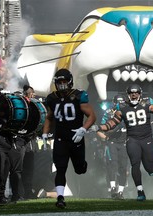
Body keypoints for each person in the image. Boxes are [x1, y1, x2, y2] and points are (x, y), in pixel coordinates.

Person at [90, 84, 153, 201]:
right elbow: (112, 123)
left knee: (150, 167)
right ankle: (140, 191)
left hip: (146, 139)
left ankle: (149, 170)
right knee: (135, 164)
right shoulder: (122, 107)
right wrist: (99, 127)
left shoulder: (147, 104)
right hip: (132, 139)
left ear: (140, 94)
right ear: (128, 95)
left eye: (136, 93)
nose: (133, 95)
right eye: (131, 93)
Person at [42, 68, 96, 208]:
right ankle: (60, 198)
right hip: (60, 138)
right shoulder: (52, 98)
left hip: (76, 136)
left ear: (70, 82)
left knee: (79, 169)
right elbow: (49, 117)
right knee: (61, 168)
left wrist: (83, 129)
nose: (62, 85)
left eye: (64, 82)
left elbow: (92, 116)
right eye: (59, 82)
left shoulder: (78, 96)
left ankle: (83, 164)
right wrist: (44, 133)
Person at [97, 94, 128, 199]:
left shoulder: (129, 113)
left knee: (123, 168)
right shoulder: (109, 113)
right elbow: (99, 130)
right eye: (118, 102)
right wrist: (105, 138)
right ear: (114, 103)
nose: (120, 104)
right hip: (112, 142)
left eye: (122, 102)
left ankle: (121, 192)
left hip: (124, 143)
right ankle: (113, 188)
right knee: (112, 165)